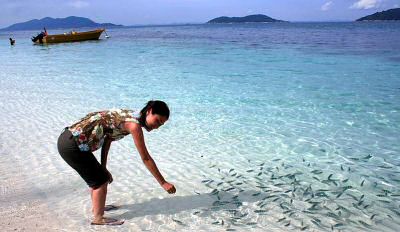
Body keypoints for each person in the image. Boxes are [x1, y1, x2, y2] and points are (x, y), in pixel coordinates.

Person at [57, 100, 176, 225]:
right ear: (150, 111)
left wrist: (103, 167)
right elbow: (145, 158)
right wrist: (163, 182)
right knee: (100, 181)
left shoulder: (132, 116)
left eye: (161, 125)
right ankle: (98, 218)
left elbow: (108, 139)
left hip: (70, 141)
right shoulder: (133, 125)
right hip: (72, 145)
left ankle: (98, 207)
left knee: (99, 177)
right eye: (157, 121)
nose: (157, 127)